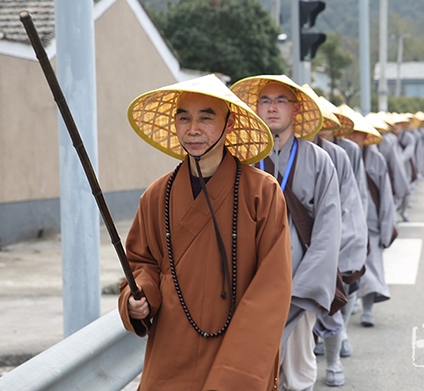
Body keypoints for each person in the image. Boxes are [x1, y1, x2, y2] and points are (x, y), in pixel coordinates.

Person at [118, 74, 293, 390]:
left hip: (236, 349)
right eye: (183, 118)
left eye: (205, 118)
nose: (193, 129)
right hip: (172, 350)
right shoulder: (157, 196)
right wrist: (137, 297)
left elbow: (272, 287)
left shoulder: (261, 192)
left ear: (229, 125)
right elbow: (142, 264)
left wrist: (240, 368)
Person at [232, 75, 341, 391]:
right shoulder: (244, 161)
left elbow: (328, 227)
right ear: (256, 108)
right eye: (265, 101)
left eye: (281, 101)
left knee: (296, 368)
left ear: (295, 110)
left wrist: (306, 287)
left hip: (298, 282)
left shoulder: (319, 160)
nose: (272, 108)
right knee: (252, 369)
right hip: (251, 285)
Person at [302, 86, 368, 387]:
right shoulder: (274, 152)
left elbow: (348, 202)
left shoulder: (338, 155)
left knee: (330, 305)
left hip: (328, 241)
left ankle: (333, 361)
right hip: (288, 246)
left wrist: (338, 244)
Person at [340, 104, 396, 328]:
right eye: (350, 133)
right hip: (345, 225)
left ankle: (368, 309)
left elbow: (386, 196)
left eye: (359, 134)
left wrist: (386, 227)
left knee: (371, 268)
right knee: (349, 269)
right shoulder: (338, 155)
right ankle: (351, 302)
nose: (354, 138)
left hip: (371, 223)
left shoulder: (376, 159)